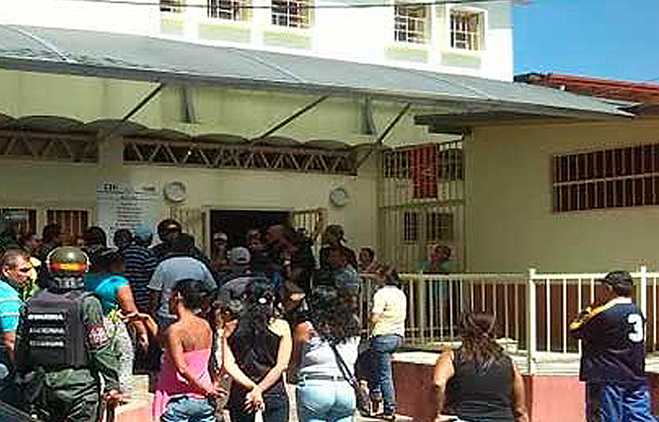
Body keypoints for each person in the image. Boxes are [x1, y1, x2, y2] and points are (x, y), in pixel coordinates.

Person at [14, 246, 121, 421]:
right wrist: (112, 384)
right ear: (85, 269)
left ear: (50, 269)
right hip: (79, 387)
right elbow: (100, 346)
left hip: (41, 387)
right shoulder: (87, 302)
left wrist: (23, 377)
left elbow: (21, 347)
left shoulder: (31, 302)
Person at [569, 271, 655, 422]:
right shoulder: (636, 311)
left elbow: (575, 330)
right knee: (639, 416)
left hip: (606, 376)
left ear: (609, 288)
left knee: (606, 417)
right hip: (635, 374)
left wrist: (589, 309)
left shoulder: (604, 313)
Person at [433, 312, 529, 422]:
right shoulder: (509, 363)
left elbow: (438, 383)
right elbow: (520, 410)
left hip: (463, 418)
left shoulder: (451, 357)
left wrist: (439, 413)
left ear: (464, 332)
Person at [151, 278, 224, 422]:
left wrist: (206, 389)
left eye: (170, 295)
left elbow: (182, 368)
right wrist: (208, 388)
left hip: (177, 398)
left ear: (178, 296)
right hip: (202, 399)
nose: (167, 301)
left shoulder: (175, 330)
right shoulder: (205, 325)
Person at [223, 279, 292, 422]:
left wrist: (252, 387)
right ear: (272, 299)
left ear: (245, 299)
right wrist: (259, 389)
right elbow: (281, 366)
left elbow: (229, 365)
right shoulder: (281, 326)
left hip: (242, 392)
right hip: (273, 390)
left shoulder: (230, 327)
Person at [292, 285, 361, 422]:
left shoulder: (306, 328)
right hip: (345, 387)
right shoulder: (352, 328)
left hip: (315, 387)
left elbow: (295, 359)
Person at [85, 248, 147, 396]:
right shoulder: (118, 282)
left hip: (89, 323)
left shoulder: (85, 279)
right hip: (113, 323)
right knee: (124, 356)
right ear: (114, 265)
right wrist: (142, 331)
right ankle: (121, 392)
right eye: (122, 264)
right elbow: (130, 310)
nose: (124, 268)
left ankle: (101, 391)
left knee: (98, 358)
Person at [148, 234, 216, 331]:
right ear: (191, 249)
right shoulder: (200, 265)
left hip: (167, 315)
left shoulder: (163, 265)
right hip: (194, 314)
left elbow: (154, 293)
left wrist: (152, 313)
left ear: (172, 248)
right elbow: (212, 289)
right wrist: (204, 307)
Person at [368, 266, 406, 421]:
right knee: (378, 368)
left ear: (383, 278)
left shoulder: (381, 294)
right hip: (398, 336)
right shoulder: (401, 293)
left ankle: (387, 407)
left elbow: (375, 317)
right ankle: (376, 396)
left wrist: (368, 324)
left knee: (383, 374)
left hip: (382, 335)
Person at [0, 250, 32, 405]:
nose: (29, 275)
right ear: (6, 271)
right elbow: (11, 342)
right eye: (23, 270)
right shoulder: (9, 299)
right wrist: (21, 374)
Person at [121, 226, 158, 314]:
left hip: (127, 294)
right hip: (143, 297)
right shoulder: (147, 254)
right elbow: (153, 276)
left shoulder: (125, 252)